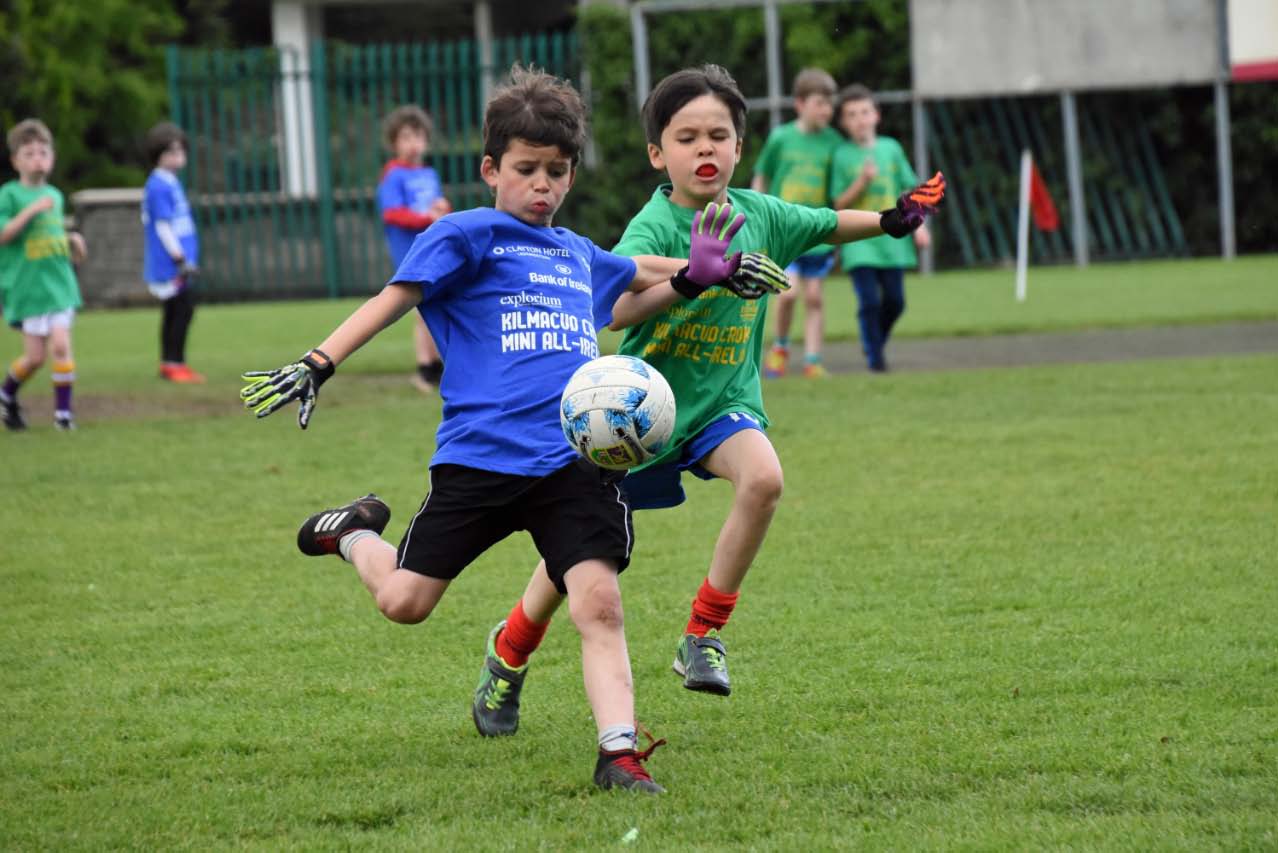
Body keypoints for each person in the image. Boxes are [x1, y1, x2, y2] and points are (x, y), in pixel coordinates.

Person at [239, 66, 772, 794]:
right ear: (491, 169)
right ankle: (353, 532)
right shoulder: (465, 234)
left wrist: (696, 276)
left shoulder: (576, 253)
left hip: (572, 462)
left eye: (556, 172)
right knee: (404, 603)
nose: (541, 185)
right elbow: (393, 298)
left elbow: (634, 280)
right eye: (524, 170)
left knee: (599, 600)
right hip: (479, 461)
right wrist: (320, 359)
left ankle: (618, 753)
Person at [472, 65, 943, 733]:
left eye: (718, 135)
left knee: (764, 478)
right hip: (633, 421)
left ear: (739, 146)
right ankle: (508, 653)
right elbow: (614, 311)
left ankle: (702, 633)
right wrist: (692, 277)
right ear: (657, 154)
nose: (705, 149)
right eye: (686, 136)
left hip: (720, 409)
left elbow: (826, 223)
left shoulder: (760, 215)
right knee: (573, 559)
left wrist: (893, 220)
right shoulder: (655, 226)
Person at [829, 84, 932, 373]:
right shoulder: (842, 155)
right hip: (860, 241)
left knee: (896, 302)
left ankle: (874, 341)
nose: (860, 119)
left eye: (865, 112)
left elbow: (910, 190)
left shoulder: (891, 148)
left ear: (876, 115)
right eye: (852, 115)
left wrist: (920, 227)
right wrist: (861, 181)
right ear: (844, 123)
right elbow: (838, 202)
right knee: (870, 301)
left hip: (893, 240)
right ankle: (876, 362)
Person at [752, 68, 845, 379]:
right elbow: (762, 175)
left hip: (816, 231)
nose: (826, 111)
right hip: (784, 231)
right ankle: (779, 348)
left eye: (830, 104)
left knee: (815, 296)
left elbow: (838, 189)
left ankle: (813, 359)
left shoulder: (834, 142)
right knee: (788, 293)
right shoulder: (781, 138)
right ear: (800, 104)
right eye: (820, 103)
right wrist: (755, 212)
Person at [0, 118, 86, 431]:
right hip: (27, 287)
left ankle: (63, 415)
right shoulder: (9, 195)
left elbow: (50, 237)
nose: (38, 158)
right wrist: (31, 210)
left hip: (58, 286)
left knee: (61, 345)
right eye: (30, 153)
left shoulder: (55, 195)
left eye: (43, 152)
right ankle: (6, 394)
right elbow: (4, 235)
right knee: (34, 357)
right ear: (15, 161)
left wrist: (71, 242)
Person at [377, 105, 450, 393]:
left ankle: (435, 366)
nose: (413, 144)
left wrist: (443, 210)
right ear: (394, 142)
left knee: (435, 304)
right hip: (410, 250)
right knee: (421, 307)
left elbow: (435, 207)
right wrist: (425, 218)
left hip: (434, 247)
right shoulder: (393, 175)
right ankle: (426, 369)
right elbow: (392, 213)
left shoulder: (428, 174)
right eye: (405, 137)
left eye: (417, 136)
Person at [142, 122, 204, 383]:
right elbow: (162, 225)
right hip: (171, 264)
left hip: (179, 261)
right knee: (181, 309)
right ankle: (174, 363)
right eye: (171, 152)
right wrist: (179, 257)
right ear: (158, 155)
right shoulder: (158, 185)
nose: (178, 157)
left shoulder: (170, 182)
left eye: (180, 151)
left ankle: (172, 363)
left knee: (177, 309)